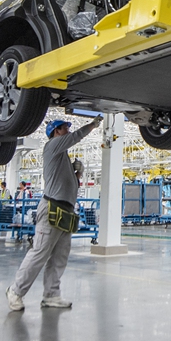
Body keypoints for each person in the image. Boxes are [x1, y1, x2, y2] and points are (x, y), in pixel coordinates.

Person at [7, 116, 102, 312]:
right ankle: (15, 292)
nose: (67, 130)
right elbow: (76, 136)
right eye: (64, 128)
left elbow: (71, 186)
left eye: (67, 127)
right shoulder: (52, 147)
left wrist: (78, 175)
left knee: (60, 255)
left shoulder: (63, 158)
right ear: (55, 132)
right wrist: (92, 125)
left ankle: (51, 295)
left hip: (66, 210)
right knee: (39, 253)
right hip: (51, 207)